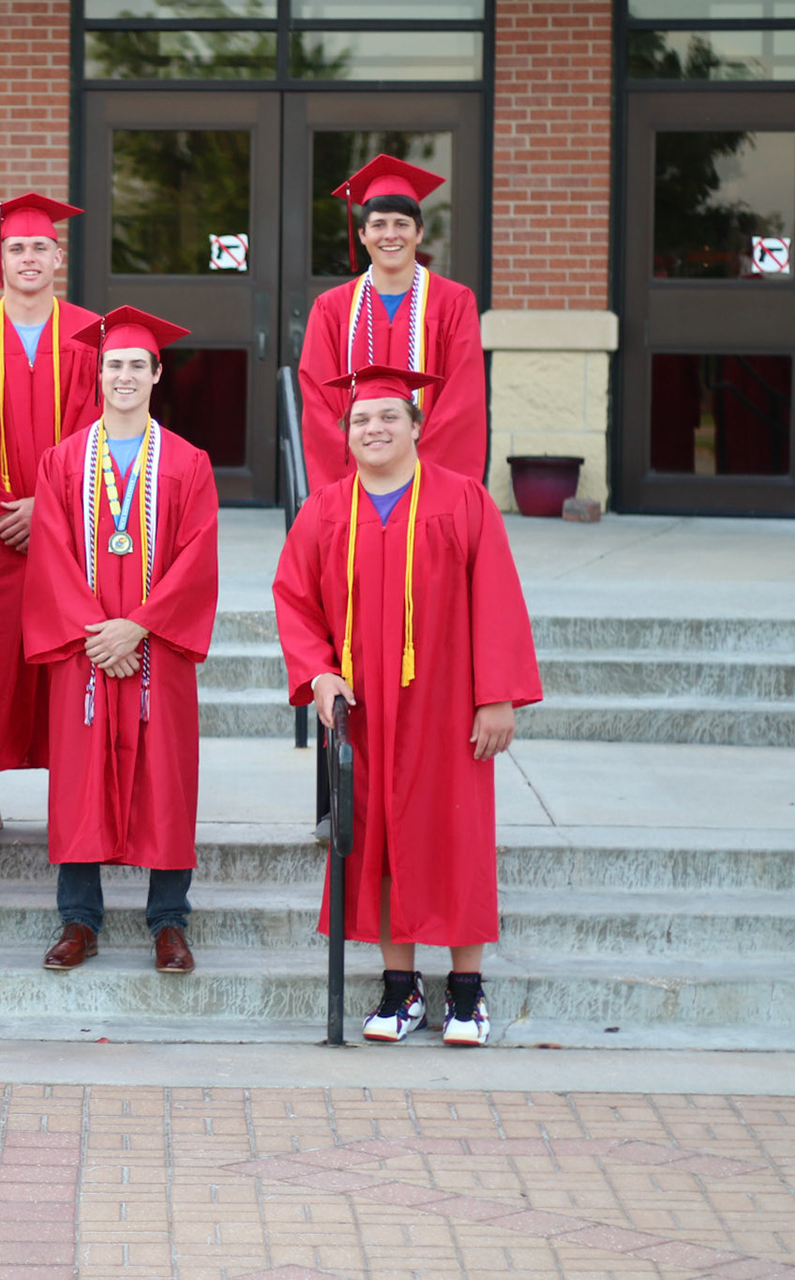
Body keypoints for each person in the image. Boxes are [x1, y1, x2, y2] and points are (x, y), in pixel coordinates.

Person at [273, 364, 542, 1047]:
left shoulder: (463, 500)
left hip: (450, 707)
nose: (375, 428)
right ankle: (400, 989)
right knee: (382, 839)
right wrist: (319, 674)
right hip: (365, 711)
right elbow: (295, 600)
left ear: (417, 428)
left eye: (390, 417)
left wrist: (497, 696)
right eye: (362, 420)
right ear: (346, 433)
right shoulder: (327, 510)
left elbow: (499, 601)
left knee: (455, 839)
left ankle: (466, 993)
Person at [23, 307, 219, 976]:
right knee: (79, 783)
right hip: (84, 650)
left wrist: (139, 625)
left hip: (155, 651)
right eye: (115, 366)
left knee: (166, 780)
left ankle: (169, 922)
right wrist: (97, 632)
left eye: (138, 365)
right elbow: (48, 554)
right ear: (97, 374)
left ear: (158, 374)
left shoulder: (189, 465)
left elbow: (197, 557)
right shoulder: (62, 462)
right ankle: (79, 919)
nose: (125, 376)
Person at [0, 193, 101, 830]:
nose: (28, 259)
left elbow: (101, 427)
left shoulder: (91, 336)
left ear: (58, 257)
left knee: (66, 657)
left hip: (71, 531)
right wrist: (5, 508)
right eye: (16, 249)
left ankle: (74, 795)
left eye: (39, 248)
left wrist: (48, 507)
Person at [296, 154, 487, 493]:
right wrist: (366, 467)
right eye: (379, 224)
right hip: (354, 479)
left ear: (419, 233)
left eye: (401, 224)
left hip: (428, 478)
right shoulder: (331, 308)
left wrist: (414, 472)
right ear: (363, 234)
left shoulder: (454, 302)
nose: (390, 235)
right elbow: (319, 398)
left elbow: (462, 399)